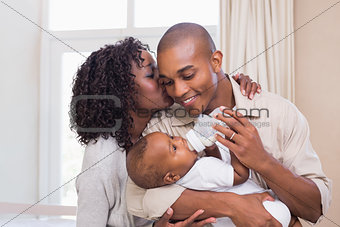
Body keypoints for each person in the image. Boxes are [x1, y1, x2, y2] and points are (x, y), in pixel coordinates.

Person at [126, 23, 332, 226]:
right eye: (168, 82)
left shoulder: (280, 113)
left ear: (216, 61)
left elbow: (314, 209)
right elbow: (138, 200)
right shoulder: (162, 128)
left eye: (188, 76)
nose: (178, 91)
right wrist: (232, 205)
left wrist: (262, 161)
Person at [71, 37, 260, 226]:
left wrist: (234, 84)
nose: (163, 78)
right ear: (124, 93)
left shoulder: (163, 121)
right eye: (150, 75)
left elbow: (209, 96)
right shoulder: (101, 158)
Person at [126, 131, 291, 226]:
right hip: (269, 210)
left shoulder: (182, 182)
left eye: (171, 136)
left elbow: (217, 170)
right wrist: (231, 144)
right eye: (174, 147)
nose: (179, 139)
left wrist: (211, 149)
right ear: (171, 176)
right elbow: (238, 175)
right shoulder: (202, 169)